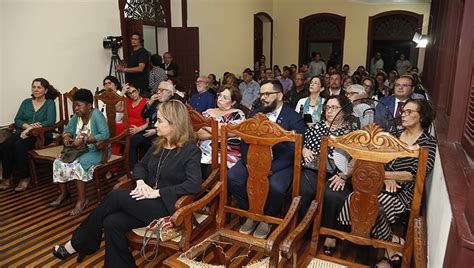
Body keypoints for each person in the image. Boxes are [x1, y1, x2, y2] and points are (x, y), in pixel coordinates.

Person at [52, 100, 202, 267]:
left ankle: (77, 243)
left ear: (174, 123)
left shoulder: (190, 150)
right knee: (111, 222)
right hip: (146, 200)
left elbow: (194, 184)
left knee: (116, 196)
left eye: (159, 121)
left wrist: (157, 192)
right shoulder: (158, 144)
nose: (155, 125)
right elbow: (140, 166)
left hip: (169, 207)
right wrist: (140, 182)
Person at [338, 99, 436, 267]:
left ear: (421, 117)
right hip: (380, 184)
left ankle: (386, 249)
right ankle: (393, 242)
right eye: (403, 111)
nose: (403, 115)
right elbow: (378, 159)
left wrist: (382, 175)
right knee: (354, 198)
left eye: (409, 112)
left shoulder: (428, 143)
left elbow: (412, 175)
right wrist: (385, 177)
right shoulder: (394, 135)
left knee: (374, 205)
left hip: (406, 190)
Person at [228, 80, 305, 239]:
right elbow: (244, 140)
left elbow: (293, 151)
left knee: (276, 187)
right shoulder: (253, 114)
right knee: (233, 178)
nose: (263, 98)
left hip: (279, 163)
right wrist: (248, 163)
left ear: (279, 95)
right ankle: (252, 212)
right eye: (261, 94)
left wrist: (270, 169)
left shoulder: (294, 118)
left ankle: (268, 218)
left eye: (267, 94)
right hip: (252, 160)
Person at [298, 95, 356, 256]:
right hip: (313, 169)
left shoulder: (352, 132)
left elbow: (357, 158)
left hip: (338, 173)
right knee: (305, 189)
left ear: (344, 111)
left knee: (333, 194)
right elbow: (302, 143)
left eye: (334, 108)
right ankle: (304, 227)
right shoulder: (316, 127)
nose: (329, 111)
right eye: (327, 107)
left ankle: (331, 235)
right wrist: (304, 150)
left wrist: (345, 175)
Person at [51, 89, 110, 216]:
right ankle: (63, 193)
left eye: (79, 105)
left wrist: (85, 139)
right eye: (74, 105)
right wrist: (66, 137)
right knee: (58, 162)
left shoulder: (96, 115)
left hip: (98, 150)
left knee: (78, 165)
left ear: (89, 106)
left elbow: (105, 134)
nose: (76, 108)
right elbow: (67, 130)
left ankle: (82, 201)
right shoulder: (76, 117)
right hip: (80, 150)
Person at [0, 78, 57, 191]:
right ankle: (7, 178)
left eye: (39, 87)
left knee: (19, 145)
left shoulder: (50, 103)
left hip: (42, 135)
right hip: (23, 132)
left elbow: (50, 121)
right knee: (4, 145)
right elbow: (17, 119)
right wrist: (27, 127)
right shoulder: (26, 102)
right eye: (34, 87)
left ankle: (25, 178)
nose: (36, 89)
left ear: (45, 90)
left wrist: (31, 128)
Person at [197, 85, 246, 178]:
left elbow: (229, 132)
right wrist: (217, 130)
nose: (220, 99)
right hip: (201, 152)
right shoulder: (208, 111)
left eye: (225, 97)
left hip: (225, 154)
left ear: (233, 102)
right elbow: (198, 133)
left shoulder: (238, 114)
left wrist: (206, 126)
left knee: (210, 170)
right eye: (219, 95)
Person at [131, 81, 176, 170]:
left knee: (155, 143)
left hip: (162, 133)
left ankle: (152, 169)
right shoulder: (155, 101)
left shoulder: (173, 103)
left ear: (169, 92)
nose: (158, 92)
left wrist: (155, 130)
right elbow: (143, 115)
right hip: (149, 129)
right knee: (133, 139)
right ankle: (133, 168)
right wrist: (149, 103)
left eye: (162, 90)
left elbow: (173, 124)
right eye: (158, 90)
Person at [112, 83, 148, 155]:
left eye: (134, 91)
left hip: (137, 127)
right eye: (129, 93)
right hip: (126, 126)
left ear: (138, 90)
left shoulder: (146, 102)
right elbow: (117, 108)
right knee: (113, 128)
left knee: (114, 133)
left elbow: (148, 122)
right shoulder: (127, 101)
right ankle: (115, 158)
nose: (132, 94)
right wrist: (122, 93)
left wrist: (139, 129)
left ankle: (117, 159)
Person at [116, 33, 150, 98]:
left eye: (135, 39)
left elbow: (140, 68)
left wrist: (123, 69)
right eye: (132, 39)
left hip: (139, 85)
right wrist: (124, 66)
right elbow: (132, 66)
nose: (133, 41)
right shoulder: (132, 52)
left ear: (140, 41)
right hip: (130, 84)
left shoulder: (143, 52)